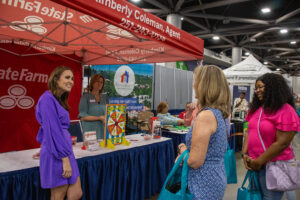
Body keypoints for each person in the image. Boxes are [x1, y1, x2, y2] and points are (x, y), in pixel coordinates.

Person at [242, 73, 300, 200]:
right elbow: (249, 131)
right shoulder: (257, 109)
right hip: (254, 165)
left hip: (273, 166)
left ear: (273, 88)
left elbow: (282, 143)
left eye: (260, 87)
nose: (257, 91)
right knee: (254, 197)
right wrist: (245, 154)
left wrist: (259, 161)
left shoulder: (285, 110)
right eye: (256, 88)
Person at [177, 65, 231, 200]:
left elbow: (195, 161)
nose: (194, 85)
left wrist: (182, 149)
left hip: (202, 182)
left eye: (196, 81)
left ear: (204, 85)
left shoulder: (206, 116)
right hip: (215, 176)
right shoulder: (220, 113)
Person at [35, 66, 82, 199]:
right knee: (58, 195)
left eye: (72, 78)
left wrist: (45, 145)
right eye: (67, 77)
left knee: (76, 193)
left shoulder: (58, 100)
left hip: (63, 150)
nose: (71, 81)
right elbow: (53, 130)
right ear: (56, 79)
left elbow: (51, 130)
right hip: (58, 155)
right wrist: (64, 159)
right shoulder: (47, 99)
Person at [78, 74, 109, 140]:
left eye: (101, 82)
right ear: (92, 82)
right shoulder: (85, 97)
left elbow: (108, 113)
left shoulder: (105, 98)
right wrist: (99, 118)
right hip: (90, 132)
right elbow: (83, 117)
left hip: (102, 131)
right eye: (97, 81)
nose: (99, 84)